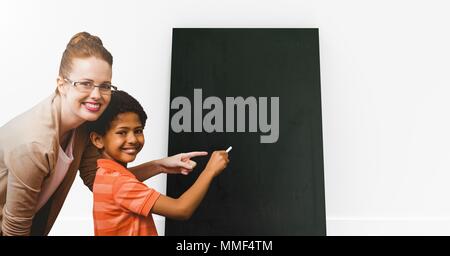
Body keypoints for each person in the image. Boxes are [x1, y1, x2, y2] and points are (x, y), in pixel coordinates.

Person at [0, 32, 206, 236]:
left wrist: (160, 165)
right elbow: (15, 229)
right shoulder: (34, 144)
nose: (96, 95)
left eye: (105, 86)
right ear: (61, 84)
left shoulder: (82, 125)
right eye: (85, 83)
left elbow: (100, 182)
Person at [88, 90, 229, 235]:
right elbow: (181, 209)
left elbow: (125, 178)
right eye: (122, 132)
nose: (133, 140)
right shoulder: (120, 184)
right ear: (98, 140)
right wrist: (210, 171)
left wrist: (160, 165)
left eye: (138, 131)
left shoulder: (104, 175)